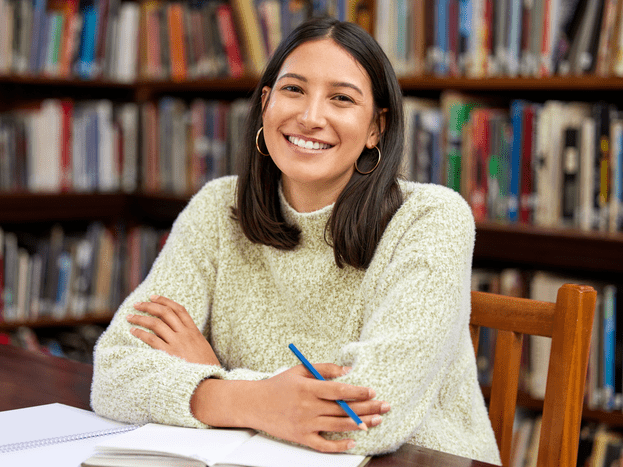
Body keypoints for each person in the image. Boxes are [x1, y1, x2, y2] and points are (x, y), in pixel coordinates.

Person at [91, 16, 501, 465]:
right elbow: (112, 373)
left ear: (375, 128)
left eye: (341, 98)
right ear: (265, 104)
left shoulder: (430, 218)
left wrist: (217, 383)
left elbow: (362, 419)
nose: (310, 117)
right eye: (293, 90)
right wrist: (261, 401)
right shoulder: (217, 207)